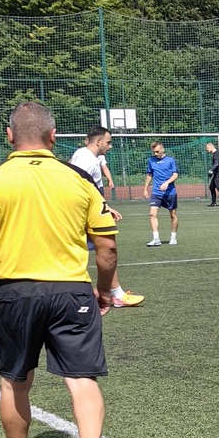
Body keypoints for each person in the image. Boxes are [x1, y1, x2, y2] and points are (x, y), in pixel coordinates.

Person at [0, 100, 117, 438]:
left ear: (9, 136)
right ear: (53, 136)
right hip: (71, 292)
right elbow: (107, 246)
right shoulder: (79, 178)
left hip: (16, 294)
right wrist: (104, 289)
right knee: (82, 379)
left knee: (15, 380)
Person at [67, 127, 142, 307]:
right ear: (99, 142)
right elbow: (76, 185)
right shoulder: (88, 161)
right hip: (82, 210)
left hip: (87, 206)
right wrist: (102, 207)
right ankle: (110, 295)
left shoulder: (82, 154)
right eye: (108, 142)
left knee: (103, 248)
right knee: (106, 247)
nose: (110, 146)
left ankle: (115, 293)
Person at [143, 141, 179, 246]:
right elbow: (149, 175)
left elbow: (175, 174)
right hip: (156, 192)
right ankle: (156, 239)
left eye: (157, 151)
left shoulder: (170, 160)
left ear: (162, 150)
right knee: (152, 214)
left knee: (173, 214)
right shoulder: (151, 160)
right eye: (154, 152)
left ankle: (173, 238)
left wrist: (167, 183)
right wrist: (145, 189)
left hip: (170, 192)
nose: (156, 154)